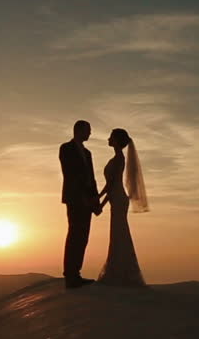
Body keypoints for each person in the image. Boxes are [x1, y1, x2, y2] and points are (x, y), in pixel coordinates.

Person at [97, 128, 149, 287]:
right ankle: (118, 270)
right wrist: (98, 199)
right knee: (118, 234)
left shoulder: (119, 158)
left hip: (118, 198)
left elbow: (112, 185)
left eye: (111, 137)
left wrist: (100, 203)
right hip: (116, 197)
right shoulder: (117, 157)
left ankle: (120, 273)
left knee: (119, 233)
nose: (108, 139)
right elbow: (109, 185)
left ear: (117, 140)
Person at [59, 120, 101, 289]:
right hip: (75, 198)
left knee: (83, 236)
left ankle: (76, 272)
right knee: (74, 234)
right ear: (79, 130)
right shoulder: (66, 148)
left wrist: (95, 200)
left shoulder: (88, 153)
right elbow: (70, 173)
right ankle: (70, 275)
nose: (90, 133)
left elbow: (92, 178)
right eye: (88, 130)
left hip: (87, 200)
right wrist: (82, 195)